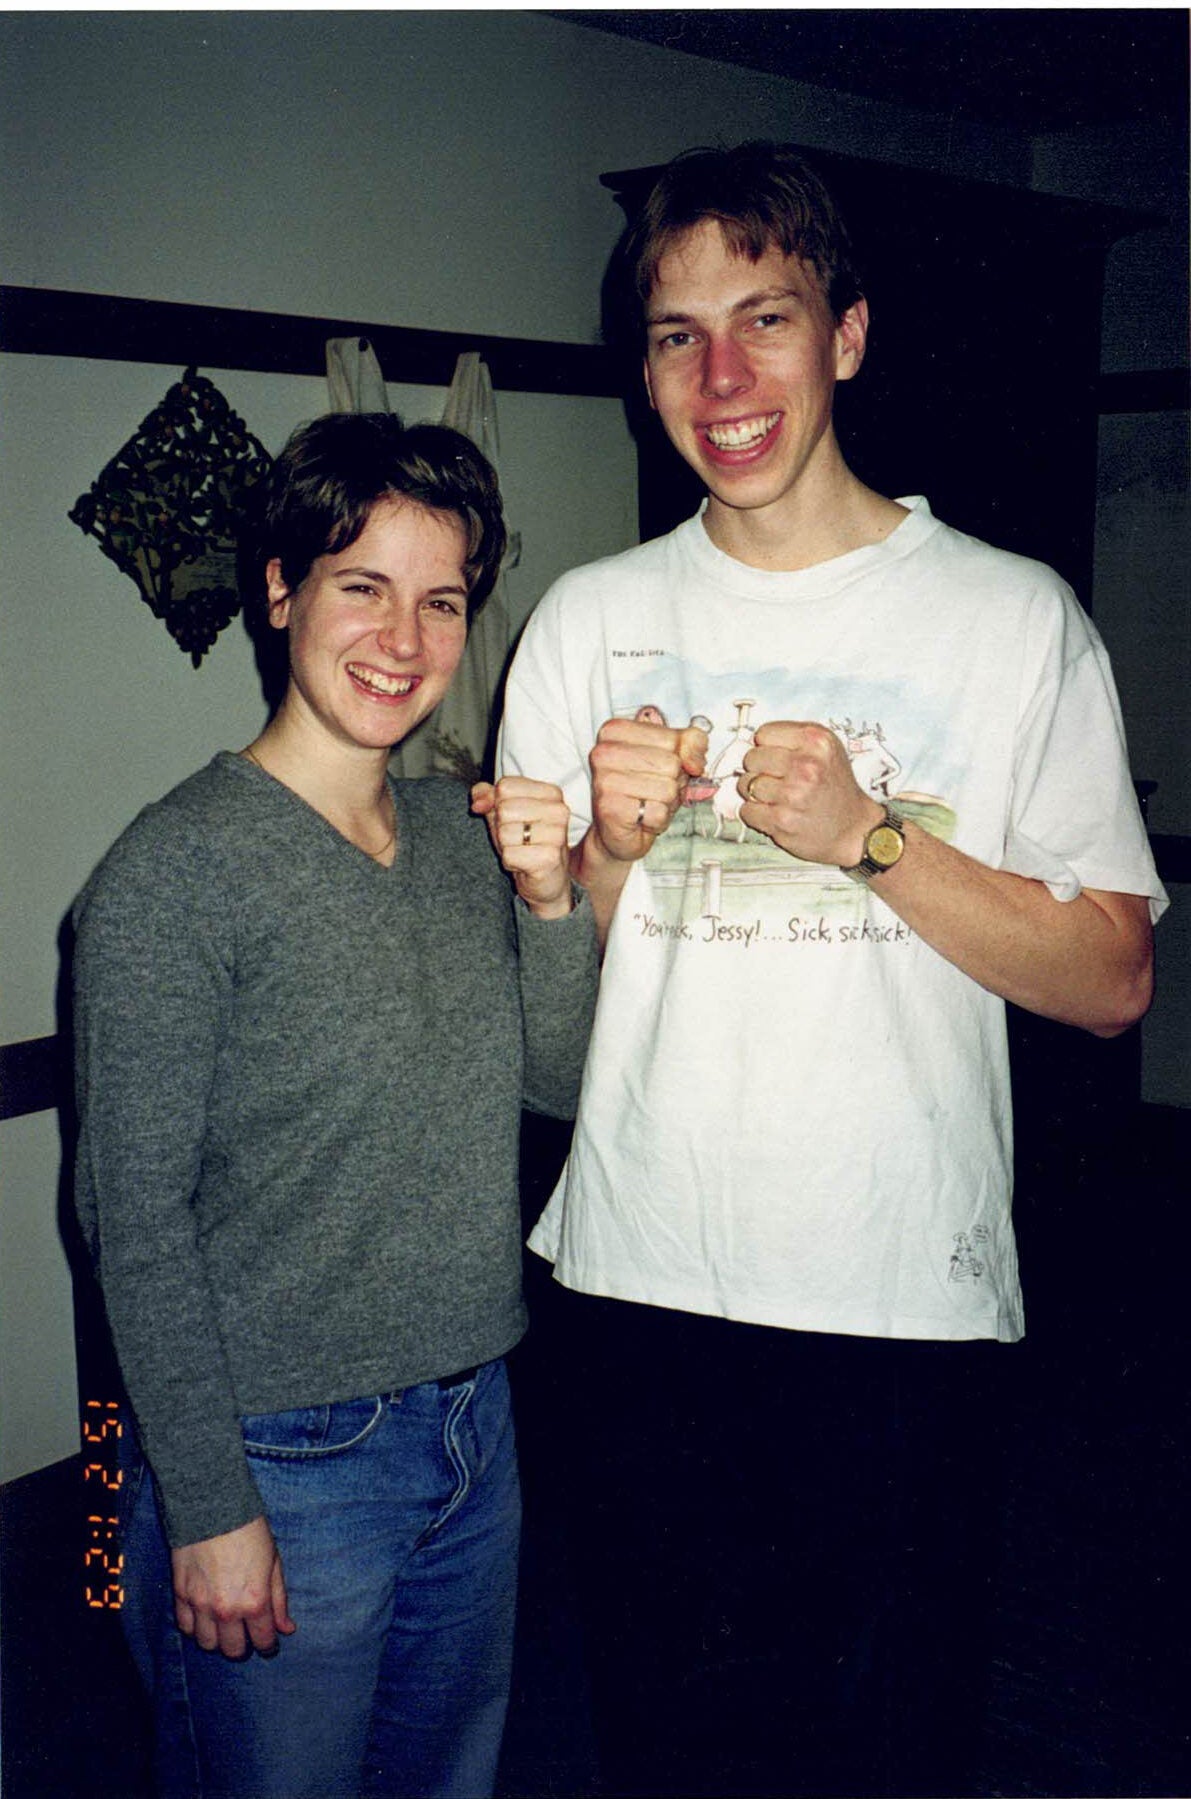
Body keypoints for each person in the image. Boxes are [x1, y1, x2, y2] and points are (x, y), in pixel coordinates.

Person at [498, 142, 1167, 1797]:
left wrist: (875, 836)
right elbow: (544, 1045)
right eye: (676, 335)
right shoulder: (583, 621)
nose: (721, 379)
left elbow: (1111, 982)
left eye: (767, 318)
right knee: (667, 1741)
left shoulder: (1014, 621)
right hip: (640, 1288)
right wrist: (593, 862)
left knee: (884, 1751)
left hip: (896, 1299)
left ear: (848, 337)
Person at [72, 411, 598, 1799]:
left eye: (443, 600)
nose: (407, 641)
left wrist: (552, 903)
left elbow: (554, 1083)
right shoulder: (172, 876)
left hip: (475, 1426)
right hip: (280, 1461)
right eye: (362, 585)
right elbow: (130, 1219)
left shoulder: (454, 832)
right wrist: (206, 1506)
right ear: (280, 591)